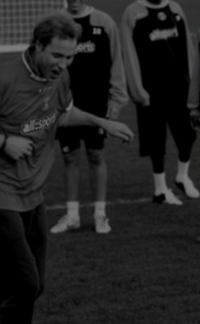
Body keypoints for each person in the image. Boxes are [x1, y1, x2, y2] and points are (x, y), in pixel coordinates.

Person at [0, 13, 133, 324]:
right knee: (25, 284)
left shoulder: (59, 79)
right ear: (37, 46)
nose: (63, 64)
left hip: (32, 195)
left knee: (28, 285)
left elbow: (63, 113)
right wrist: (3, 142)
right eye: (57, 55)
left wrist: (103, 121)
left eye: (69, 58)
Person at [50, 0, 128, 234]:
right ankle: (72, 215)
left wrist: (116, 100)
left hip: (97, 105)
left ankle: (100, 215)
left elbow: (117, 63)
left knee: (96, 155)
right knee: (70, 157)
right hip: (65, 105)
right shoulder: (57, 23)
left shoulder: (104, 23)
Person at [121, 0, 199, 205]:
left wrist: (193, 88)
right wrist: (138, 91)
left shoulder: (175, 8)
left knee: (188, 136)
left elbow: (188, 49)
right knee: (156, 142)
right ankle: (160, 189)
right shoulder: (133, 13)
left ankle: (182, 176)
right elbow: (128, 54)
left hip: (180, 88)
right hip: (151, 91)